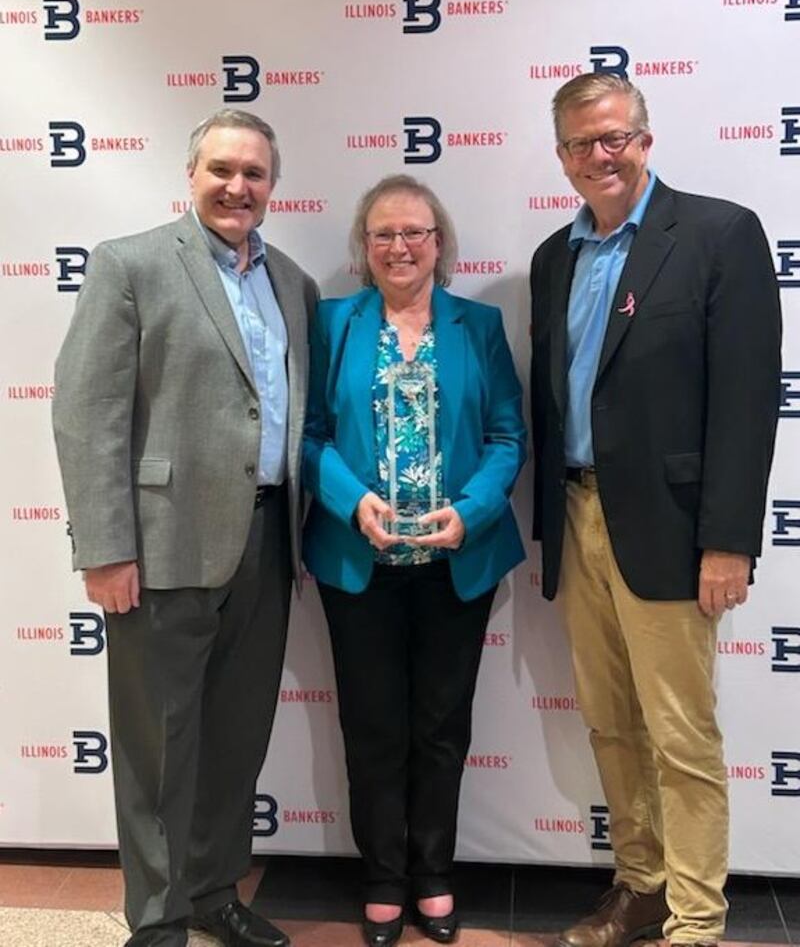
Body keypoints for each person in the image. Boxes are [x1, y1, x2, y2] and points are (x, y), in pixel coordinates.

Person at [52, 109, 317, 947]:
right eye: (223, 170)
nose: (238, 187)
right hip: (160, 548)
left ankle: (213, 891)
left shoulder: (296, 286)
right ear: (191, 174)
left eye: (255, 174)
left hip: (270, 542)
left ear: (273, 186)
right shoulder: (130, 265)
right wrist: (104, 547)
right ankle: (159, 921)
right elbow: (86, 411)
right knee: (157, 748)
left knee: (236, 741)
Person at [530, 72, 781, 947]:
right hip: (577, 516)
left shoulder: (719, 235)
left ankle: (696, 918)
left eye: (615, 137)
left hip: (674, 534)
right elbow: (554, 399)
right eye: (580, 144)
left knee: (680, 733)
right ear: (561, 158)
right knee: (610, 722)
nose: (601, 155)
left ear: (644, 136)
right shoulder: (552, 257)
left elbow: (747, 403)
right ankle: (639, 885)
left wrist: (728, 541)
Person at [303, 174, 526, 946]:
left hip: (453, 564)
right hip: (356, 563)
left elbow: (507, 436)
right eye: (384, 233)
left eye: (416, 232)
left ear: (440, 244)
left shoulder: (479, 325)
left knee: (440, 726)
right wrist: (347, 499)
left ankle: (434, 872)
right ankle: (382, 876)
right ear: (365, 249)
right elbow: (309, 434)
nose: (400, 246)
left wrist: (470, 514)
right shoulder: (332, 324)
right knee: (371, 727)